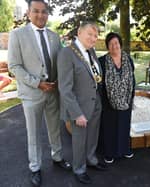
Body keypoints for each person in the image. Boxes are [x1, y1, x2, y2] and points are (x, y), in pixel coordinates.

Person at [7, 0, 71, 186]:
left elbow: (60, 60)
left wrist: (60, 79)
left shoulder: (53, 35)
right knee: (33, 132)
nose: (40, 15)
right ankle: (35, 167)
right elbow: (14, 66)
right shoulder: (17, 35)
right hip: (32, 93)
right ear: (28, 12)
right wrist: (37, 83)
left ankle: (57, 157)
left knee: (54, 128)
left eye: (44, 11)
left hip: (53, 92)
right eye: (36, 11)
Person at [57, 21, 107, 184]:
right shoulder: (67, 53)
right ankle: (79, 169)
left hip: (94, 102)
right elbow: (65, 89)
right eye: (90, 34)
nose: (94, 38)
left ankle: (91, 160)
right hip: (79, 107)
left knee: (92, 136)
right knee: (79, 141)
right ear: (79, 32)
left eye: (96, 35)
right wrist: (76, 113)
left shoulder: (91, 50)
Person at [98, 32, 135, 164]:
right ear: (108, 46)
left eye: (116, 43)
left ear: (120, 44)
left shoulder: (128, 59)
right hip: (108, 102)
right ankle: (109, 152)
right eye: (111, 44)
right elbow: (99, 83)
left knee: (124, 125)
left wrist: (130, 98)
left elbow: (132, 79)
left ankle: (125, 149)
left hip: (126, 100)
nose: (114, 46)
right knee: (109, 128)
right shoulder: (102, 61)